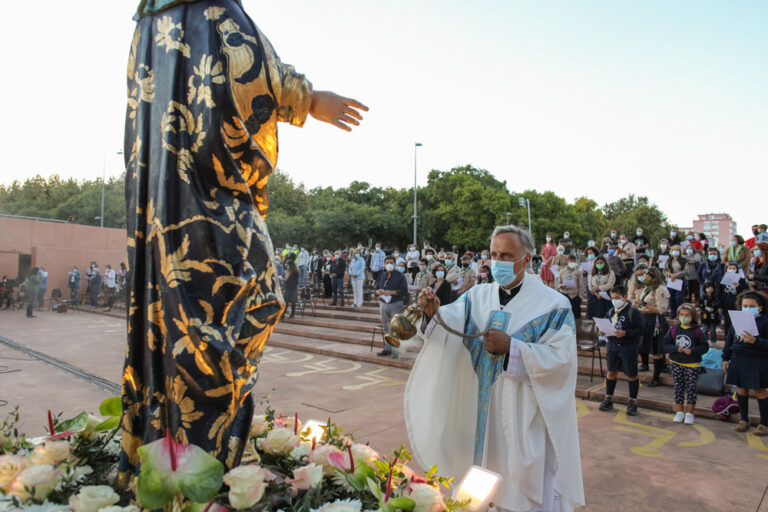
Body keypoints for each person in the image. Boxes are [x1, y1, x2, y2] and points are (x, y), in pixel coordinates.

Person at [405, 225, 584, 511]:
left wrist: (513, 348)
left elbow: (562, 363)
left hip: (520, 416)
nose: (498, 261)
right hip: (477, 410)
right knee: (474, 493)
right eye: (494, 254)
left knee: (517, 495)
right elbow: (448, 328)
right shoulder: (476, 296)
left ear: (527, 259)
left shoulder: (554, 305)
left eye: (507, 255)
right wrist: (433, 313)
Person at [722, 291, 768, 435]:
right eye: (745, 305)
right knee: (741, 389)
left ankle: (764, 423)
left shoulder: (765, 322)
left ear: (759, 308)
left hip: (758, 359)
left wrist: (756, 341)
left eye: (751, 306)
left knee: (760, 390)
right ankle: (744, 419)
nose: (747, 308)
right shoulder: (736, 321)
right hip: (738, 358)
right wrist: (725, 358)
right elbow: (729, 340)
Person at [598, 285, 644, 416]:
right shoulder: (611, 311)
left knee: (631, 375)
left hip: (627, 347)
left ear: (624, 298)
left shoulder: (633, 312)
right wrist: (602, 331)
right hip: (612, 346)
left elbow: (640, 330)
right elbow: (607, 325)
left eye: (617, 298)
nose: (614, 301)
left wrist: (626, 333)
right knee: (611, 372)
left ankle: (633, 401)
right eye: (612, 298)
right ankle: (609, 398)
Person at [662, 304, 708, 424]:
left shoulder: (698, 331)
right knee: (678, 386)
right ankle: (679, 411)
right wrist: (676, 348)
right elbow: (666, 344)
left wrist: (692, 350)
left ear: (692, 316)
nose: (684, 317)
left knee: (691, 388)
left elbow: (704, 347)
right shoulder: (674, 329)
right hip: (676, 362)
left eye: (687, 315)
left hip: (692, 364)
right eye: (681, 315)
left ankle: (690, 413)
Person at [637, 267, 670, 383]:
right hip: (645, 319)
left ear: (654, 277)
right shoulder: (647, 288)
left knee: (656, 349)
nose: (645, 279)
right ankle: (647, 366)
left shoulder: (660, 289)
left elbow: (661, 310)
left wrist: (644, 304)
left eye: (647, 277)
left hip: (656, 321)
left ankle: (656, 377)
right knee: (644, 345)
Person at [376, 256, 409, 359]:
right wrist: (378, 291)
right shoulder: (382, 275)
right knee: (386, 327)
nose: (388, 264)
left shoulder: (400, 276)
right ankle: (387, 349)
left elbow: (404, 290)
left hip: (396, 303)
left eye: (390, 262)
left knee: (395, 327)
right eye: (386, 262)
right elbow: (376, 287)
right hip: (383, 303)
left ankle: (396, 350)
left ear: (394, 264)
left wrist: (391, 292)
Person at [556, 254, 585, 321]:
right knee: (564, 315)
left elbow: (581, 285)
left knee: (576, 315)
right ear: (567, 261)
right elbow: (558, 283)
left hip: (575, 295)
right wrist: (561, 286)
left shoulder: (578, 272)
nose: (572, 263)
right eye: (571, 261)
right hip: (565, 294)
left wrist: (580, 297)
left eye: (574, 262)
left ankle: (576, 329)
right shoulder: (562, 271)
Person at [587, 256, 615, 320]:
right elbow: (590, 285)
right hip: (594, 296)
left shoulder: (610, 272)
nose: (599, 264)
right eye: (597, 263)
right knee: (594, 316)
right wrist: (596, 293)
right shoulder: (591, 273)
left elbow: (610, 284)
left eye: (601, 262)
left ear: (605, 263)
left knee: (605, 315)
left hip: (606, 296)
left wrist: (599, 288)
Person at [663, 245, 688, 318]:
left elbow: (686, 270)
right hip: (671, 281)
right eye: (674, 250)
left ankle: (680, 313)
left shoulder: (684, 260)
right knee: (671, 298)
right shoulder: (669, 260)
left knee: (679, 298)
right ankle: (673, 313)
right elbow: (665, 270)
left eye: (677, 250)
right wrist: (670, 275)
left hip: (680, 280)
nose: (675, 251)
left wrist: (676, 275)